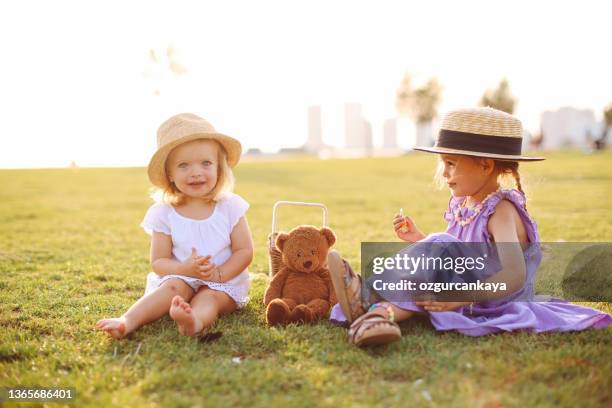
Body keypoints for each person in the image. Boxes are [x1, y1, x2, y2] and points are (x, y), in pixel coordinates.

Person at [328, 107, 612, 347]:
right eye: (443, 164)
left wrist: (460, 297)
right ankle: (377, 316)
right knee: (425, 275)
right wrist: (419, 238)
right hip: (464, 286)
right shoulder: (466, 205)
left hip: (489, 300)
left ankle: (367, 300)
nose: (445, 175)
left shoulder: (501, 211)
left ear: (486, 166)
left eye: (451, 164)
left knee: (428, 271)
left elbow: (513, 275)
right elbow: (457, 256)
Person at [96, 113, 253, 338]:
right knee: (171, 288)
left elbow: (244, 251)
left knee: (209, 297)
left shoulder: (230, 206)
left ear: (219, 167)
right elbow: (159, 262)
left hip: (223, 282)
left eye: (206, 163)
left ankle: (194, 322)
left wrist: (219, 274)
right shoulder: (163, 213)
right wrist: (183, 270)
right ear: (169, 173)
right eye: (184, 165)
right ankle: (127, 320)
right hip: (182, 277)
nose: (196, 172)